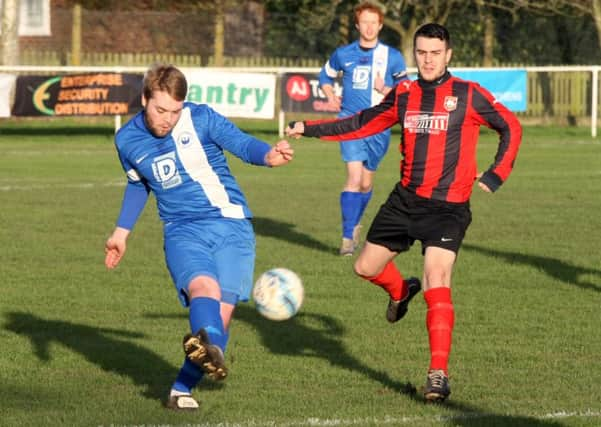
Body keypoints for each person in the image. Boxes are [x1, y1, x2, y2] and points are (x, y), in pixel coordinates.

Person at [287, 23, 522, 402]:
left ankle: (438, 375)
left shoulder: (467, 94)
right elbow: (362, 122)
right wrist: (309, 128)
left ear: (448, 55)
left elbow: (510, 126)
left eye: (435, 53)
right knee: (364, 267)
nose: (428, 60)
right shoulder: (404, 95)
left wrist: (497, 173)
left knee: (437, 279)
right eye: (422, 53)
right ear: (415, 55)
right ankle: (401, 290)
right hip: (405, 201)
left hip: (448, 207)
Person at [104, 64, 293, 410]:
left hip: (232, 226)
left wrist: (267, 155)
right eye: (160, 110)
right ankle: (201, 359)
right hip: (182, 230)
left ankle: (180, 390)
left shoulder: (201, 118)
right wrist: (121, 231)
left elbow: (240, 142)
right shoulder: (127, 140)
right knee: (204, 291)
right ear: (144, 98)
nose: (168, 120)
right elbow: (137, 184)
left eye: (175, 111)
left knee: (219, 322)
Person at [318, 1, 407, 256]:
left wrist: (385, 89)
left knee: (366, 183)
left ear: (380, 25)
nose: (368, 27)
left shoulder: (393, 57)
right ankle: (347, 238)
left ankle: (356, 221)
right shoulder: (343, 54)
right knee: (354, 178)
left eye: (373, 22)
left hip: (379, 125)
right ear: (357, 25)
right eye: (364, 22)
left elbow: (405, 92)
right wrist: (329, 95)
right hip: (350, 122)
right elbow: (325, 76)